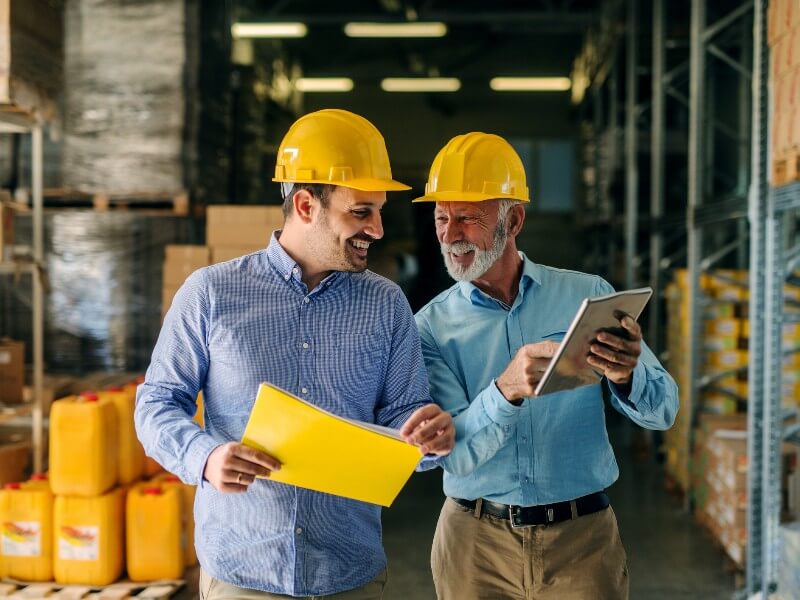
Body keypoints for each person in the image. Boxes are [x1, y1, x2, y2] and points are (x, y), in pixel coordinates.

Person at [135, 109, 455, 599]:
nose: (378, 230)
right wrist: (205, 456)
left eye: (379, 211)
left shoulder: (387, 304)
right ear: (306, 205)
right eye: (361, 212)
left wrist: (425, 433)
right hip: (243, 572)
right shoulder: (211, 294)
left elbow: (402, 413)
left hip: (350, 573)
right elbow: (156, 403)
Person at [404, 132, 679, 599]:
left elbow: (664, 411)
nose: (450, 236)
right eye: (442, 218)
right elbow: (456, 452)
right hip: (475, 545)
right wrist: (506, 390)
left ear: (514, 221)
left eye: (468, 219)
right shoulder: (429, 327)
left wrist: (627, 375)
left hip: (583, 541)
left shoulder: (586, 294)